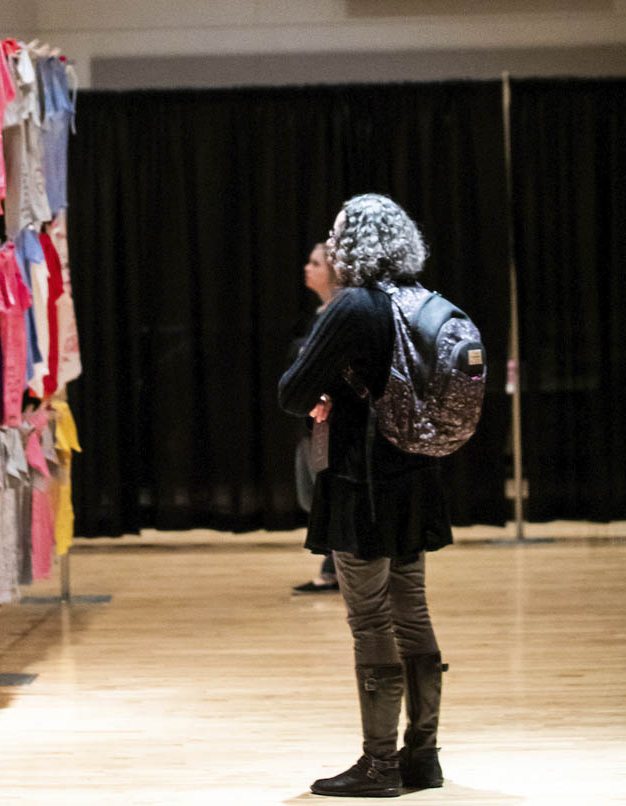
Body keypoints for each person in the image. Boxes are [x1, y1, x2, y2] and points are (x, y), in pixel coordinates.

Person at [278, 194, 451, 798]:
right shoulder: (420, 300)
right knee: (414, 612)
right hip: (418, 480)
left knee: (370, 620)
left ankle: (379, 767)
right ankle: (422, 758)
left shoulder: (354, 304)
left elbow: (293, 392)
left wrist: (323, 391)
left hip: (362, 485)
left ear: (353, 245)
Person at [290, 243, 341, 595]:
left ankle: (335, 568)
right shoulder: (319, 315)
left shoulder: (340, 317)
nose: (308, 268)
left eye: (315, 263)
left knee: (330, 497)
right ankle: (334, 564)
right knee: (312, 498)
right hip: (310, 424)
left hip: (330, 425)